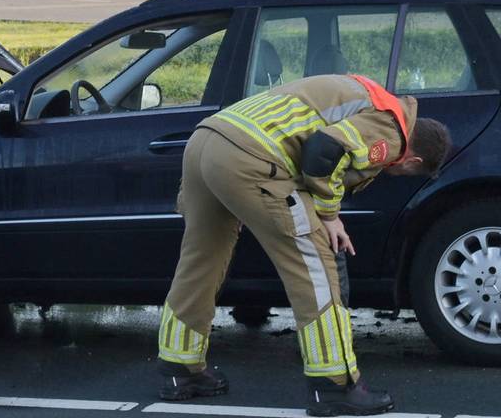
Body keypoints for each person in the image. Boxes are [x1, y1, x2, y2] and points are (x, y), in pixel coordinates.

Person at [154, 74, 450, 416]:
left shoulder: (372, 97)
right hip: (250, 156)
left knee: (200, 260)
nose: (391, 172)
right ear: (414, 161)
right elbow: (324, 150)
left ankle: (181, 369)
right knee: (316, 269)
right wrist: (329, 215)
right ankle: (334, 385)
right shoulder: (392, 131)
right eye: (407, 173)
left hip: (206, 140)